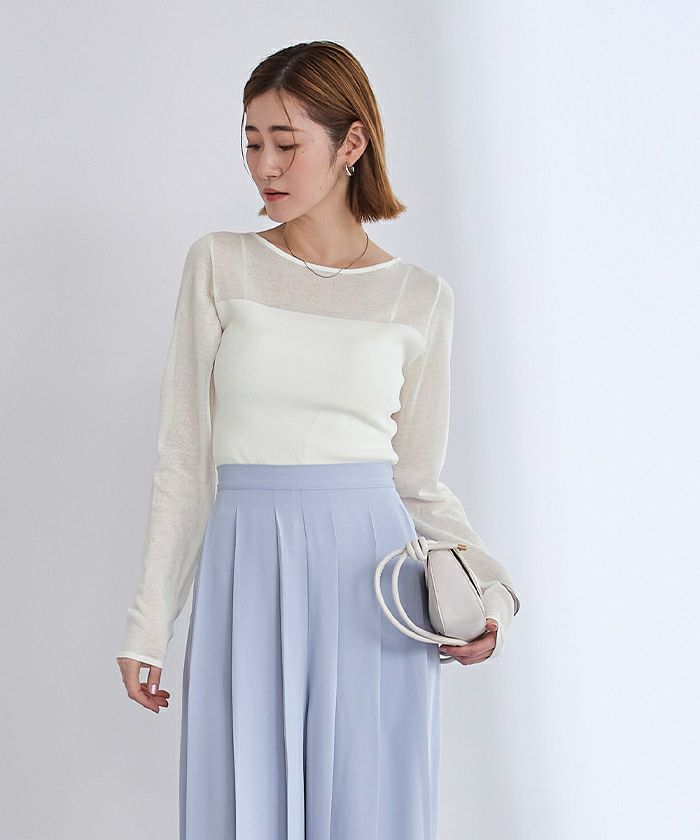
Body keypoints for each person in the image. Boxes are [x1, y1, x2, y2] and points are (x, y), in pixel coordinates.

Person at [116, 40, 520, 840]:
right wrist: (148, 623)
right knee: (241, 809)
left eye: (286, 143)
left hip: (375, 582)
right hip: (247, 571)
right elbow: (184, 461)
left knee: (370, 813)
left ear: (351, 143)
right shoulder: (220, 265)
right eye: (251, 142)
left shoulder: (419, 297)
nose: (264, 166)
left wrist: (493, 596)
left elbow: (417, 480)